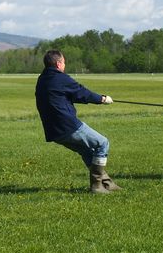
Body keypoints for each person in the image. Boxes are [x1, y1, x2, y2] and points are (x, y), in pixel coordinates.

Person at [35, 50, 120, 194]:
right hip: (68, 126)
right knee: (102, 143)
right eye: (64, 62)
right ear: (58, 63)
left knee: (87, 151)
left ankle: (106, 183)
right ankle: (96, 186)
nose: (64, 65)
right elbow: (82, 92)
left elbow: (71, 95)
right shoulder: (61, 78)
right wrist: (103, 99)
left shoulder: (43, 79)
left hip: (54, 131)